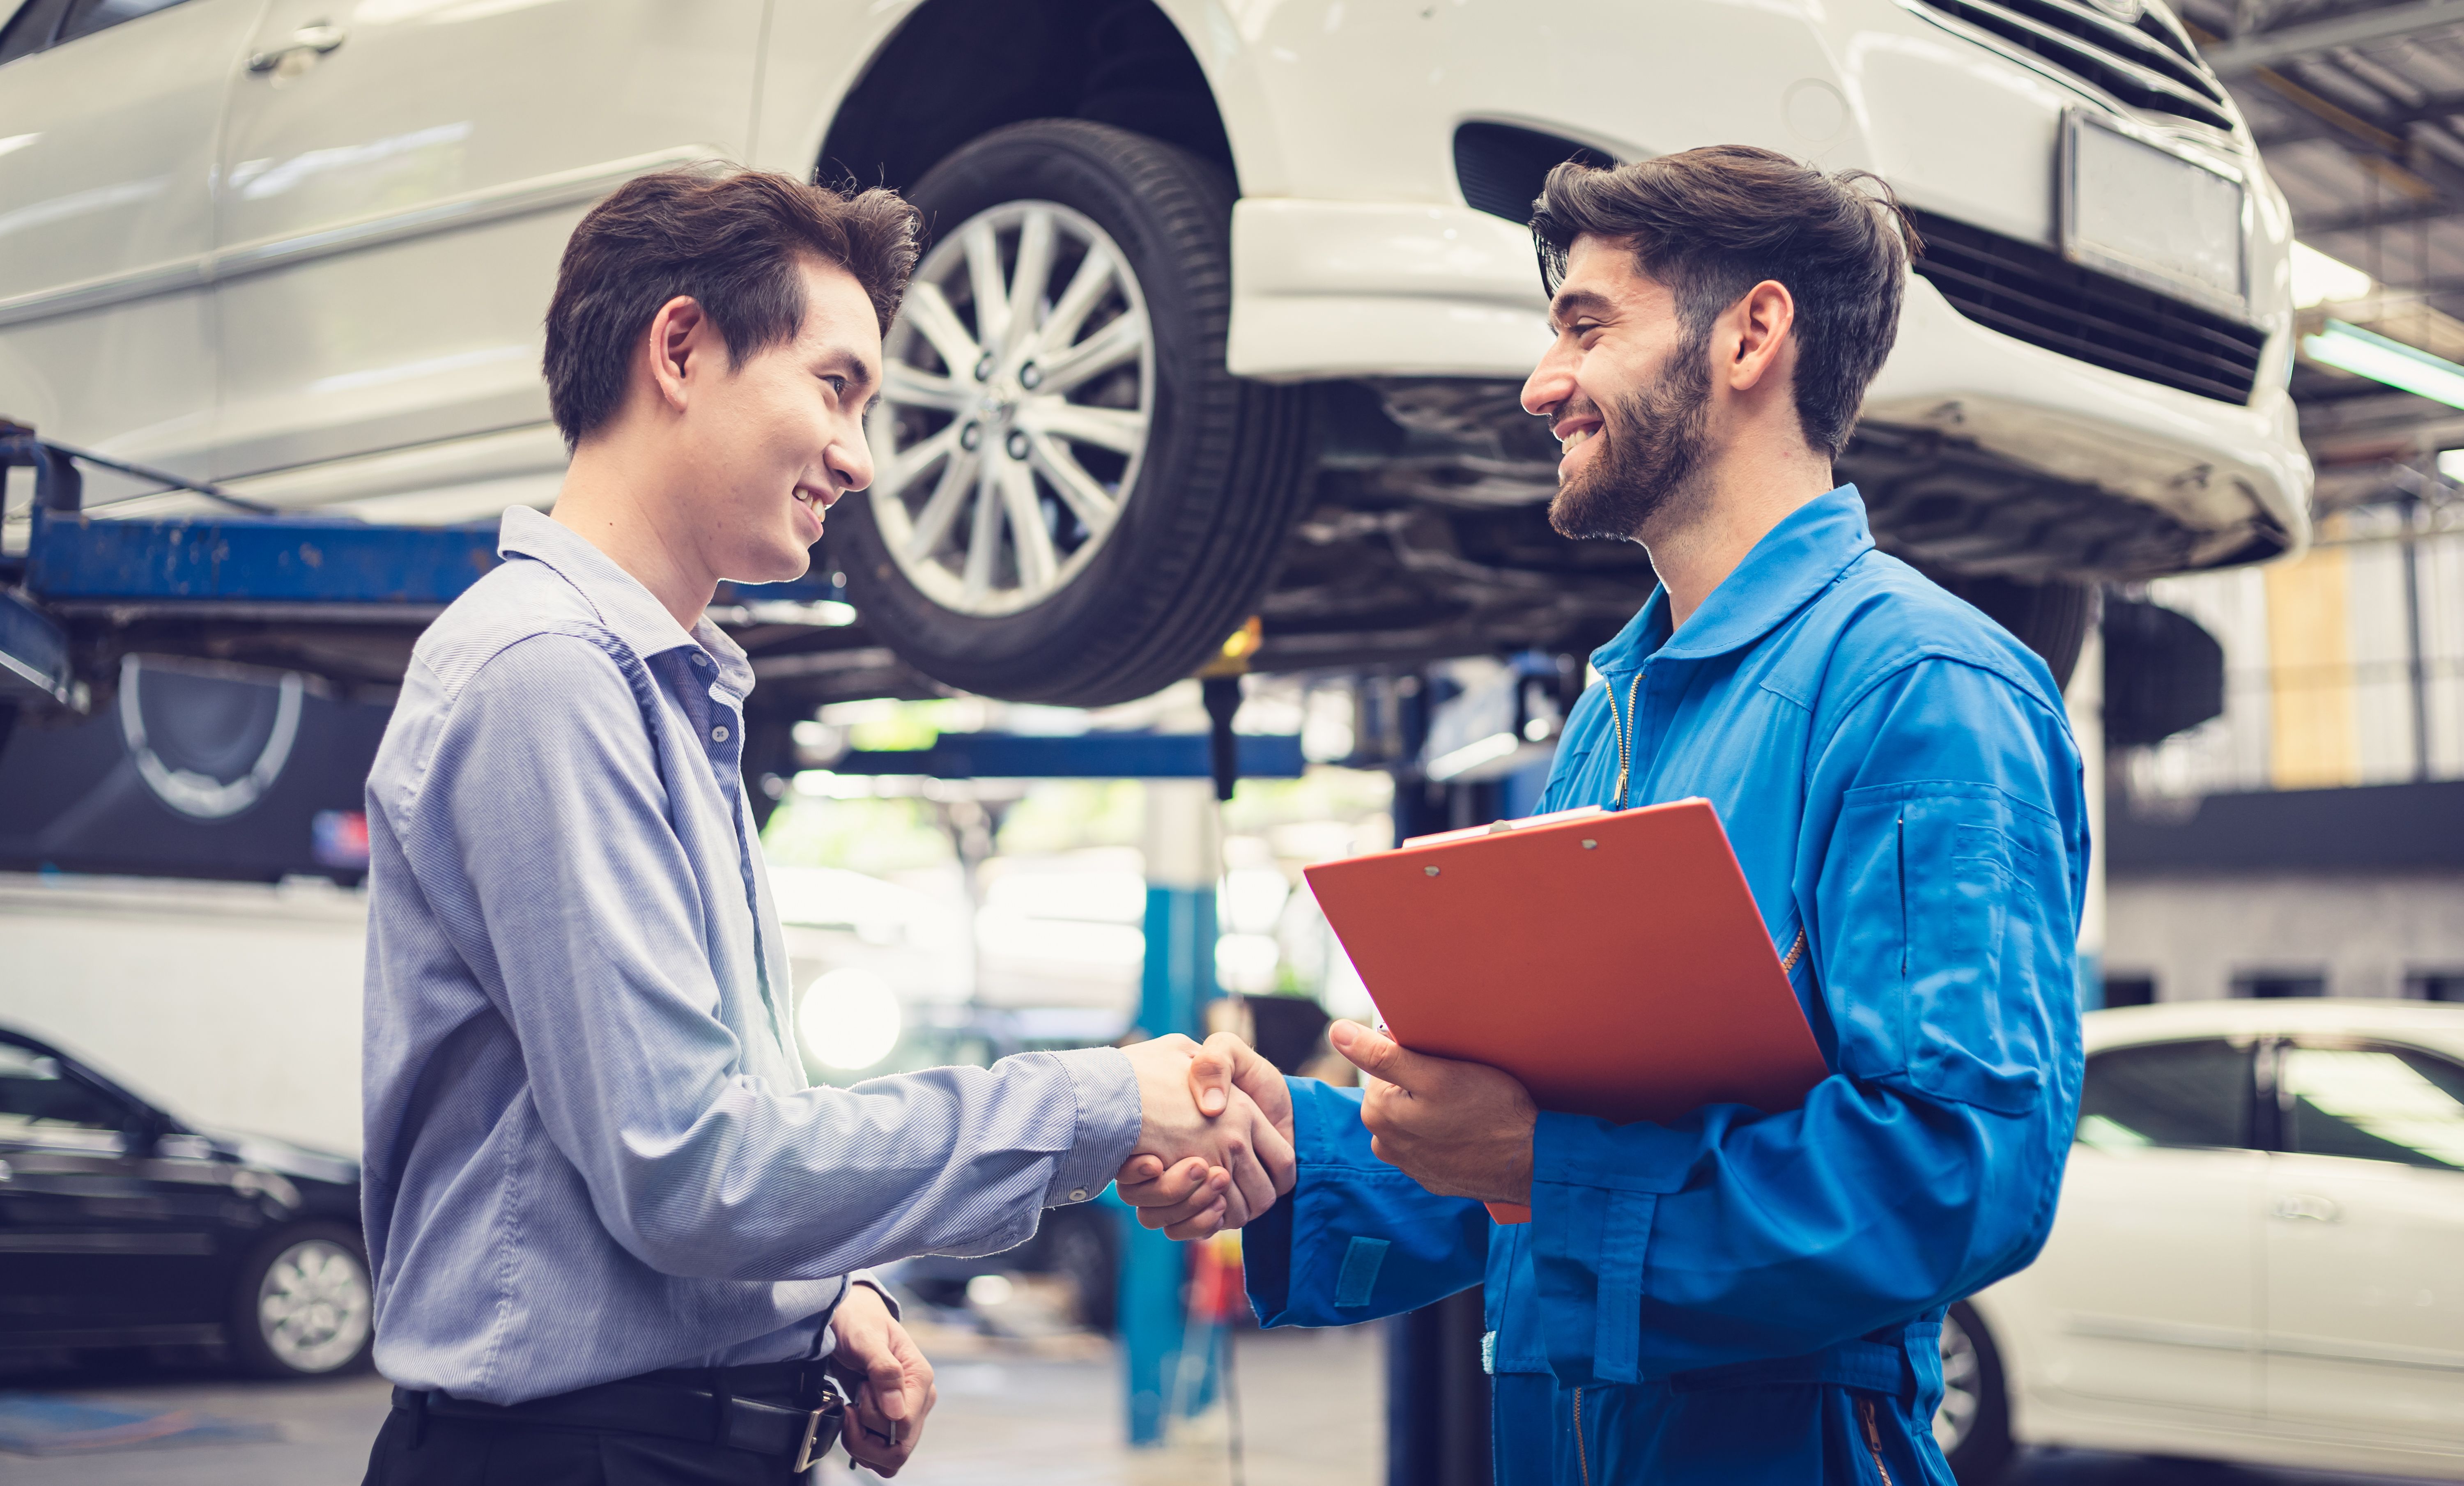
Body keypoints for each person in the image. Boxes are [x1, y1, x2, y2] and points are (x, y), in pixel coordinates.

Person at [1122, 146, 2088, 1484]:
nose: (1540, 384)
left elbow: (1962, 1167)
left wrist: (1549, 1165)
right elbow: (1526, 1148)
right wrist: (1289, 1146)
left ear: (1753, 333)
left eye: (1588, 326)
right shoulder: (1619, 712)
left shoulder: (1925, 690)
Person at [356, 167, 1289, 1485]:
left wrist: (819, 1295)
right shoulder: (546, 675)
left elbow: (674, 1144)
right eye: (837, 387)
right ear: (680, 349)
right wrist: (1096, 1099)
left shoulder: (666, 689)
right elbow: (690, 1168)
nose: (859, 455)